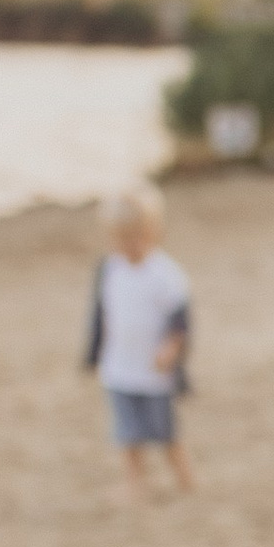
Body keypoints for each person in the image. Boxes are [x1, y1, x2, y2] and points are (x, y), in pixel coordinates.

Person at [83, 182, 194, 499]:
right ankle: (134, 485)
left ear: (155, 231)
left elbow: (180, 323)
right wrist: (93, 355)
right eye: (121, 238)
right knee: (128, 435)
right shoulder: (109, 271)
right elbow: (100, 316)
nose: (130, 245)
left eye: (138, 236)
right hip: (120, 368)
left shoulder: (166, 275)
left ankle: (184, 477)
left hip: (155, 373)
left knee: (166, 433)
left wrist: (171, 352)